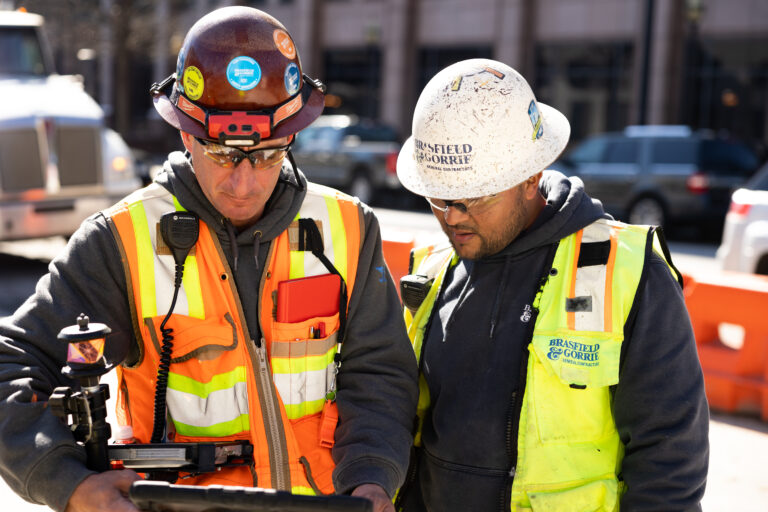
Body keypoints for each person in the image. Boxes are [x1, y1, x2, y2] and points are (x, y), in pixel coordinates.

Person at [0, 7, 417, 512]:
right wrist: (65, 482)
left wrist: (374, 478)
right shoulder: (121, 241)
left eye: (266, 154)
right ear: (184, 134)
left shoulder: (348, 227)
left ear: (292, 137)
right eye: (221, 155)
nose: (243, 183)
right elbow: (10, 362)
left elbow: (380, 372)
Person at [393, 59, 709, 511]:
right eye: (438, 197)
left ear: (530, 177)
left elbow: (670, 457)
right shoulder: (431, 271)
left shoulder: (626, 271)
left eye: (474, 196)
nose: (452, 215)